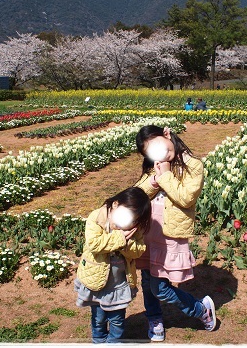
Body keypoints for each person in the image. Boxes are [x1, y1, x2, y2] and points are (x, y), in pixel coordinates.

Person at [134, 125, 217, 342]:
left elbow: (186, 198)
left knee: (159, 287)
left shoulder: (193, 165)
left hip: (170, 234)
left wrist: (165, 177)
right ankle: (155, 319)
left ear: (167, 134)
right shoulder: (156, 165)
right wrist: (153, 180)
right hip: (148, 230)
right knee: (146, 280)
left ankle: (200, 309)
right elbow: (139, 193)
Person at [74, 186, 152, 343]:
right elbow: (95, 244)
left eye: (134, 218)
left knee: (117, 320)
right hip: (96, 281)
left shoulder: (133, 228)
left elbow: (138, 251)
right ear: (115, 204)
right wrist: (120, 237)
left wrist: (127, 242)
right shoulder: (97, 218)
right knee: (98, 319)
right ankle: (98, 341)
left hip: (118, 284)